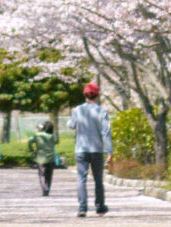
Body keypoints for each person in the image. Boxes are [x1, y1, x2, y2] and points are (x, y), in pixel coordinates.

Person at [70, 83, 112, 217]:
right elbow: (106, 132)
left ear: (85, 95)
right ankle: (100, 207)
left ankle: (82, 208)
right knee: (98, 179)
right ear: (97, 95)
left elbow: (71, 125)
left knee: (81, 179)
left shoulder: (77, 110)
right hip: (97, 150)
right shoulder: (101, 111)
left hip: (81, 149)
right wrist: (109, 150)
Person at [30, 120, 60, 196]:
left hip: (41, 157)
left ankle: (44, 189)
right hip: (51, 158)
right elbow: (57, 142)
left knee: (42, 174)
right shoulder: (53, 136)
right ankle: (48, 188)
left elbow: (30, 142)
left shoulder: (38, 135)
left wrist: (32, 150)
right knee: (49, 175)